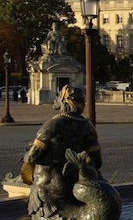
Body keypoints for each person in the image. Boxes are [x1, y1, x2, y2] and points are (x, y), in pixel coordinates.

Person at [21, 85, 102, 219]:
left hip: (48, 186)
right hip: (74, 184)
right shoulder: (88, 128)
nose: (56, 100)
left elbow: (32, 157)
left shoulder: (52, 125)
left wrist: (26, 154)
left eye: (58, 97)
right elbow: (97, 162)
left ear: (65, 101)